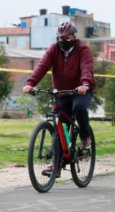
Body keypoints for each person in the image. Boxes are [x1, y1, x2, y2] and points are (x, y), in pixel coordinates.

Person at [22, 21, 95, 154]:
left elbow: (86, 67)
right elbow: (42, 66)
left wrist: (85, 83)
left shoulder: (83, 49)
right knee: (60, 125)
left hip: (81, 91)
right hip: (61, 93)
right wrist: (30, 83)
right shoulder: (54, 49)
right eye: (60, 38)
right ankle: (55, 162)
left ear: (73, 37)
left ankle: (85, 137)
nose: (63, 40)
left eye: (66, 38)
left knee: (78, 108)